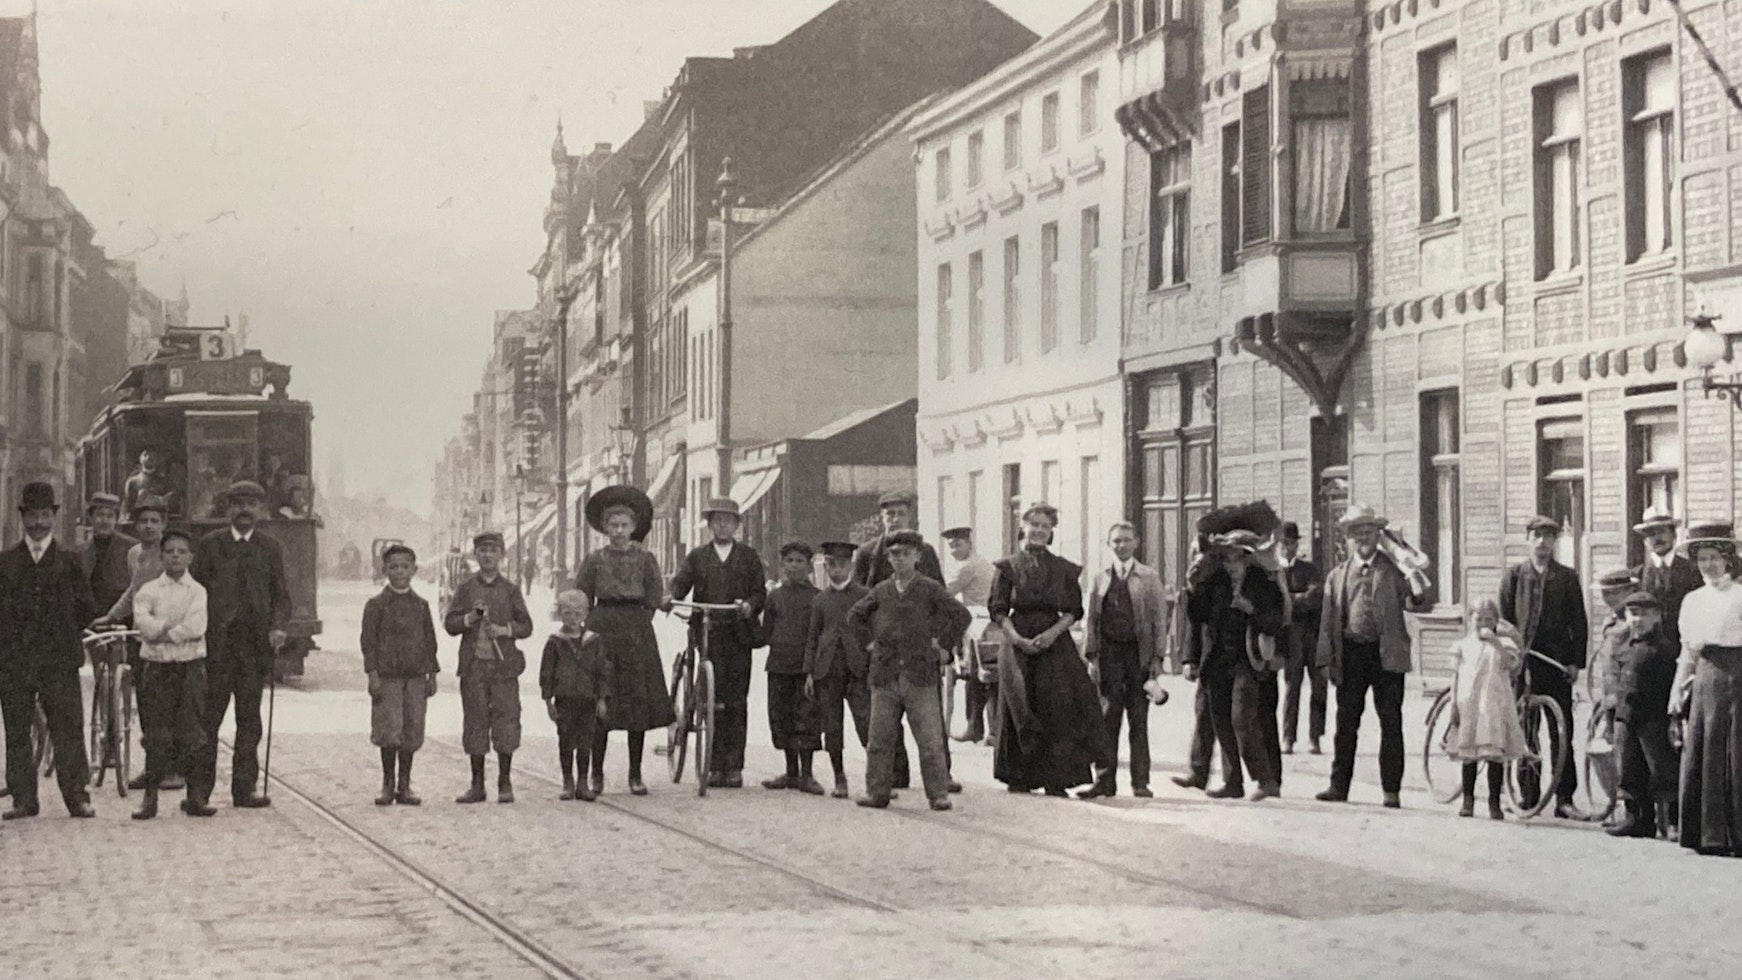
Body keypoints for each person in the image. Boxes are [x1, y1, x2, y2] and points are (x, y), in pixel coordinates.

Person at [1315, 504, 1430, 809]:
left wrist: (1414, 575)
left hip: (1387, 654)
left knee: (1391, 722)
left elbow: (1420, 602)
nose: (1362, 537)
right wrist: (1326, 661)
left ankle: (1391, 791)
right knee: (1346, 722)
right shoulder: (1337, 576)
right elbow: (1327, 623)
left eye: (1368, 531)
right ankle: (1338, 786)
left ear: (1378, 535)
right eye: (1357, 532)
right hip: (1351, 654)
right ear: (1349, 537)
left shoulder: (1394, 570)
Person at [848, 530, 970, 811]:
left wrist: (943, 646)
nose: (900, 559)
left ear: (918, 556)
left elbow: (959, 615)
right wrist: (868, 643)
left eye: (906, 553)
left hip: (920, 675)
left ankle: (938, 793)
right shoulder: (880, 590)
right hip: (885, 675)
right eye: (895, 554)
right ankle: (877, 791)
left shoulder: (929, 588)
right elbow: (855, 616)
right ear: (889, 559)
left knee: (929, 739)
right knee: (879, 739)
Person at [0, 482, 98, 820]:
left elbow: (87, 607)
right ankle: (23, 799)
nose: (39, 523)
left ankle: (77, 796)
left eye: (45, 515)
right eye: (33, 515)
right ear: (23, 517)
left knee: (68, 727)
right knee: (16, 730)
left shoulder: (69, 561)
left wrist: (65, 635)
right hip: (15, 662)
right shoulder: (6, 562)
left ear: (53, 517)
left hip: (58, 661)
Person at [191, 480, 291, 812]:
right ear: (228, 509)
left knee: (249, 722)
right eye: (237, 503)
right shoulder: (210, 545)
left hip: (252, 651)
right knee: (208, 721)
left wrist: (277, 626)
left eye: (251, 504)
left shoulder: (270, 547)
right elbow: (196, 593)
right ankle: (199, 792)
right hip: (217, 649)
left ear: (261, 510)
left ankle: (243, 790)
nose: (244, 510)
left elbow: (281, 596)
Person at [990, 503, 1100, 797]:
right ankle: (1020, 775)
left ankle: (1056, 778)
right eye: (1034, 524)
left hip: (1054, 644)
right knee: (1019, 702)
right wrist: (1016, 639)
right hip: (1018, 642)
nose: (1039, 530)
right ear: (1023, 527)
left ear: (1051, 532)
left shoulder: (1064, 568)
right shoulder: (1006, 567)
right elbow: (999, 610)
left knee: (1058, 706)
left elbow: (1073, 610)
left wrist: (1051, 635)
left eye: (1045, 526)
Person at [853, 490, 955, 792]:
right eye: (889, 514)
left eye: (899, 513)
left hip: (919, 650)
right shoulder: (869, 553)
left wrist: (940, 643)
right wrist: (868, 643)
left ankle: (942, 777)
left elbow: (942, 601)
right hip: (884, 651)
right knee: (884, 720)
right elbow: (859, 602)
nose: (894, 519)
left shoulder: (924, 552)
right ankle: (894, 776)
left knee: (929, 717)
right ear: (881, 517)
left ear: (909, 516)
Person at [573, 487, 672, 796]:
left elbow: (654, 596)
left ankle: (635, 773)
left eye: (624, 526)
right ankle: (596, 774)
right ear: (604, 528)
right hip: (602, 628)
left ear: (633, 528)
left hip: (636, 632)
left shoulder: (646, 559)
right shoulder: (593, 561)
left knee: (636, 703)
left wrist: (640, 624)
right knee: (600, 701)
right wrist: (584, 632)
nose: (618, 531)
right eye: (612, 525)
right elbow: (580, 599)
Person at [666, 497, 766, 789]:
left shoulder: (748, 557)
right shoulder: (698, 557)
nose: (723, 525)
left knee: (736, 699)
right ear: (709, 525)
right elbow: (681, 583)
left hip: (738, 634)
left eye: (728, 520)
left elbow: (759, 592)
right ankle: (711, 764)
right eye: (717, 520)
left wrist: (749, 605)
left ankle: (733, 765)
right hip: (708, 631)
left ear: (736, 525)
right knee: (711, 696)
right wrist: (670, 596)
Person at [1497, 516, 1589, 820]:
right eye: (1537, 536)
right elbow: (1504, 623)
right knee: (1526, 730)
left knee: (1561, 731)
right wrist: (1510, 656)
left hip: (1557, 665)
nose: (1543, 542)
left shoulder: (1566, 577)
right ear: (1528, 539)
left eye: (1549, 536)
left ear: (1555, 541)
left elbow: (1579, 623)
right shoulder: (1514, 576)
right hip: (1522, 665)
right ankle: (1529, 795)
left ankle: (1564, 798)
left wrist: (1575, 662)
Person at [1186, 529, 1286, 801]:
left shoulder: (1263, 584)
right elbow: (1198, 617)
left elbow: (1277, 621)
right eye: (1227, 560)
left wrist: (1251, 609)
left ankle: (1265, 779)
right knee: (1220, 721)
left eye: (1236, 560)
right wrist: (1192, 587)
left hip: (1248, 661)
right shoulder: (1216, 582)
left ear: (1247, 559)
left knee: (1241, 718)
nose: (1231, 566)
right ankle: (1232, 782)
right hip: (1217, 661)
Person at [94, 495, 180, 792]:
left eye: (154, 521)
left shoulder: (172, 553)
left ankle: (173, 769)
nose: (148, 527)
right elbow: (133, 593)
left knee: (169, 704)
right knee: (145, 703)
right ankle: (153, 767)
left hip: (169, 638)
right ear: (135, 523)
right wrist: (110, 616)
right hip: (142, 637)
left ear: (164, 525)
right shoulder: (134, 554)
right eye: (142, 521)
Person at [130, 528, 214, 820]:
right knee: (156, 732)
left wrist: (162, 631)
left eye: (181, 551)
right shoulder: (148, 591)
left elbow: (195, 627)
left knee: (192, 732)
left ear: (190, 557)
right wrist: (161, 630)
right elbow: (143, 624)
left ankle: (195, 796)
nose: (175, 556)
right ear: (161, 556)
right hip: (156, 669)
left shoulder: (198, 591)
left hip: (189, 667)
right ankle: (149, 798)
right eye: (170, 552)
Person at [1080, 521, 1167, 800]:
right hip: (1109, 657)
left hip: (1138, 658)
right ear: (1109, 545)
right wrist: (1091, 656)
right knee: (1108, 720)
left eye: (1126, 540)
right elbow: (1090, 620)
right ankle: (1104, 781)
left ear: (1136, 542)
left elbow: (1158, 621)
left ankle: (1140, 782)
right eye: (1116, 541)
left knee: (1138, 721)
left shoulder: (1149, 577)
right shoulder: (1100, 578)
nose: (1121, 545)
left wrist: (1157, 659)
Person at [444, 530, 533, 804]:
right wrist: (469, 619)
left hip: (504, 667)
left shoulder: (511, 590)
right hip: (474, 668)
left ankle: (505, 782)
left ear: (502, 555)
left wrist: (504, 630)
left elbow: (526, 626)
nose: (488, 556)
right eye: (483, 551)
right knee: (475, 721)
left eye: (493, 550)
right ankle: (477, 784)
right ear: (476, 555)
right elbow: (450, 624)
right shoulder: (466, 589)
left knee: (506, 722)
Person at [1671, 522, 1742, 856]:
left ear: (1728, 559)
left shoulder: (1740, 595)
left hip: (1738, 678)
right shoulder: (1693, 600)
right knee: (1706, 750)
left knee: (1735, 751)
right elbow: (1687, 652)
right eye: (1702, 559)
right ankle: (1709, 835)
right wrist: (1676, 693)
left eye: (1714, 557)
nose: (1709, 565)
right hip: (1705, 679)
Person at [361, 544, 439, 807]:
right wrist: (372, 674)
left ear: (414, 570)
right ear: (384, 570)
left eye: (405, 567)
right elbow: (368, 643)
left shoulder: (421, 605)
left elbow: (430, 642)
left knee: (411, 729)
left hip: (416, 678)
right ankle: (387, 784)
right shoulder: (376, 605)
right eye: (393, 567)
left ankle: (405, 785)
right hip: (388, 678)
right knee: (389, 729)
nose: (399, 572)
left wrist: (432, 674)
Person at [1604, 591, 1679, 839]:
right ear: (1626, 616)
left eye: (1645, 614)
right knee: (1628, 769)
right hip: (1627, 718)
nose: (1638, 620)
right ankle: (1637, 819)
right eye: (1633, 614)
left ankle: (1673, 822)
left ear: (1657, 616)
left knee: (1661, 769)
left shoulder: (1666, 650)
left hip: (1653, 719)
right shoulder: (1624, 647)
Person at [805, 541, 874, 799]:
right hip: (827, 671)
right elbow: (812, 638)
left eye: (842, 564)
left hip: (857, 670)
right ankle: (839, 778)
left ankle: (876, 778)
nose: (836, 570)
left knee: (866, 725)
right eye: (831, 564)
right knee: (832, 728)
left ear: (852, 566)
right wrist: (810, 673)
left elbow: (874, 630)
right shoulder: (820, 600)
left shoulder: (865, 595)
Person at [1446, 599, 1526, 821]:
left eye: (1488, 619)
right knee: (1469, 753)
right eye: (1478, 618)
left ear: (1495, 622)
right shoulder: (1463, 645)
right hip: (1469, 703)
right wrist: (1453, 703)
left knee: (1493, 754)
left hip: (1493, 703)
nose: (1483, 623)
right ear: (1470, 619)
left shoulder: (1504, 643)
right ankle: (1468, 800)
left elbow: (1510, 665)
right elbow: (1455, 676)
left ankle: (1494, 802)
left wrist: (1497, 643)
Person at [759, 542, 824, 794]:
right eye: (789, 561)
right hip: (779, 665)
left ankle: (807, 774)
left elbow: (820, 633)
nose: (794, 566)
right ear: (782, 565)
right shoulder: (774, 597)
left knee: (806, 719)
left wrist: (814, 667)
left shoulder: (817, 597)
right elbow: (765, 633)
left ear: (808, 566)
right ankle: (791, 772)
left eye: (799, 561)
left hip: (805, 668)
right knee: (781, 716)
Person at [539, 590, 611, 801]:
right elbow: (547, 672)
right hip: (565, 699)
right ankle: (567, 781)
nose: (573, 618)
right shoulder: (555, 642)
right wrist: (548, 700)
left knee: (586, 742)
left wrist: (601, 698)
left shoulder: (594, 641)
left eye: (578, 613)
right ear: (560, 614)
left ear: (586, 615)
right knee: (566, 740)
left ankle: (582, 782)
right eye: (567, 613)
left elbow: (601, 671)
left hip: (587, 699)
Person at [942, 527, 999, 744]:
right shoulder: (983, 562)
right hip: (991, 628)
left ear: (969, 543)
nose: (954, 550)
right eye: (951, 546)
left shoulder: (967, 567)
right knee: (989, 679)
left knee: (975, 678)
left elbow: (945, 593)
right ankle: (988, 730)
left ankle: (975, 728)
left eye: (957, 544)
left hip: (978, 628)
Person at [1277, 523, 1326, 755]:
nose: (1289, 548)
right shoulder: (1275, 572)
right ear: (1279, 545)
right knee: (1291, 688)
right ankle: (1288, 738)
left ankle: (1315, 738)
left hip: (1313, 638)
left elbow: (1315, 597)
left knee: (1318, 688)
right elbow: (1275, 603)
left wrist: (1289, 601)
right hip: (1290, 640)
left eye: (1293, 543)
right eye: (1285, 544)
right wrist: (1295, 600)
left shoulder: (1310, 569)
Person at [1632, 506, 1701, 646]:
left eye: (1662, 531)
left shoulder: (1693, 571)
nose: (1657, 538)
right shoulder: (1637, 575)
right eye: (1652, 534)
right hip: (1650, 651)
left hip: (1684, 647)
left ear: (1674, 535)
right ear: (1646, 540)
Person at [79, 493, 138, 645]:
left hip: (124, 622)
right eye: (99, 515)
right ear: (91, 518)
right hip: (91, 623)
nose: (104, 521)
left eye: (109, 516)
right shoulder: (79, 552)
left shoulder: (132, 548)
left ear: (116, 519)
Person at [123, 450, 173, 515]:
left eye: (153, 455)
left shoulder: (164, 481)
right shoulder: (132, 481)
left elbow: (168, 503)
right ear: (140, 459)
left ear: (158, 460)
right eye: (145, 454)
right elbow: (127, 506)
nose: (149, 457)